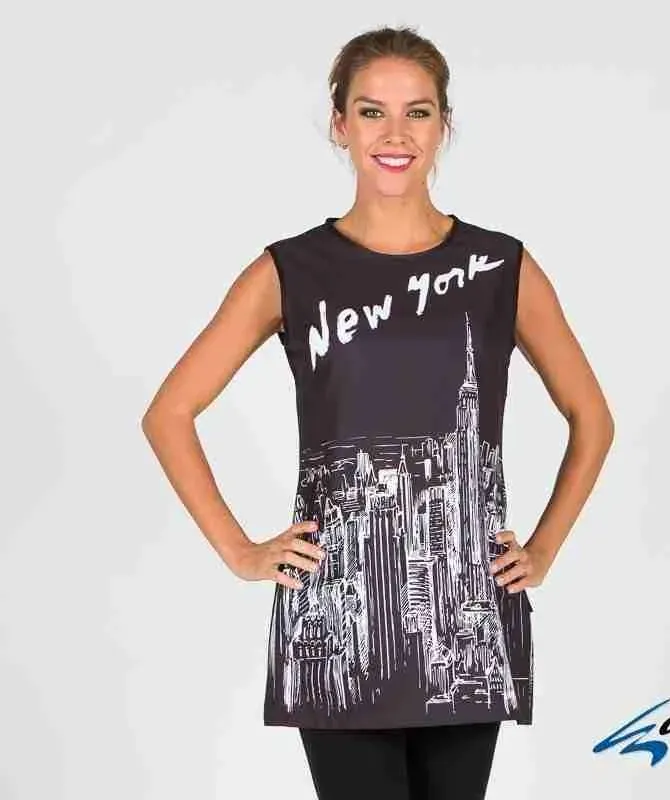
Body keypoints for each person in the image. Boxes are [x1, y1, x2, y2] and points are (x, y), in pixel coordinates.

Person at [142, 25, 614, 800]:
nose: (395, 134)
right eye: (371, 112)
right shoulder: (292, 270)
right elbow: (170, 413)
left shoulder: (500, 265)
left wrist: (545, 549)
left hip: (467, 610)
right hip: (338, 611)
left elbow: (591, 416)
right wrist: (241, 552)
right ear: (340, 125)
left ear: (443, 125)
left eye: (417, 112)